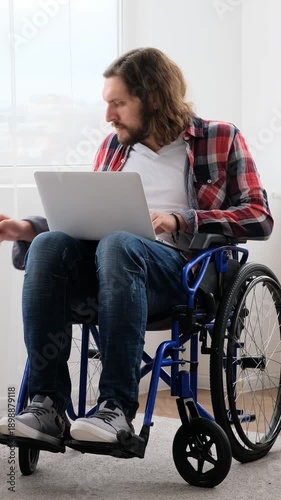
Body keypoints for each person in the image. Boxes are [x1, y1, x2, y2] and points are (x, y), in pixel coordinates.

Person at [0, 47, 273, 447]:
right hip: (111, 272)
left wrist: (182, 219)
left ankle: (115, 410)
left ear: (155, 98)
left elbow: (259, 216)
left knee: (120, 243)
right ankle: (47, 405)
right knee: (47, 245)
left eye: (118, 104)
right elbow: (86, 218)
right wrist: (26, 227)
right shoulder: (115, 148)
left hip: (182, 275)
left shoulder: (220, 137)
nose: (109, 116)